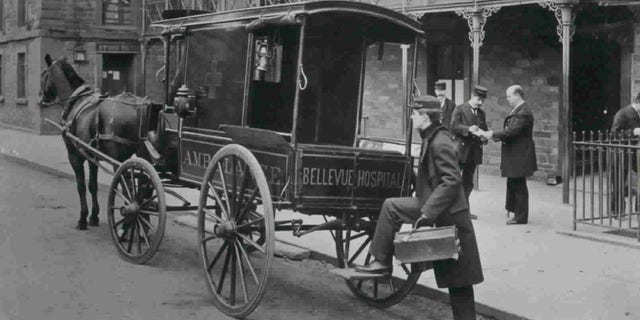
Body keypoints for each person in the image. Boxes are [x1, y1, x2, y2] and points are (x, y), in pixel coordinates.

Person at [356, 95, 483, 320]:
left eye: (415, 113)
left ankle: (380, 263)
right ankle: (381, 262)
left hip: (450, 218)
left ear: (425, 116)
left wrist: (426, 213)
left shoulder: (440, 141)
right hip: (444, 213)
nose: (412, 117)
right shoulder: (432, 137)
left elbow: (451, 181)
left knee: (460, 283)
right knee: (458, 283)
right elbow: (432, 177)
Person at [478, 85, 537, 225]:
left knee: (518, 184)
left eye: (509, 96)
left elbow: (512, 131)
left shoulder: (523, 112)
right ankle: (515, 211)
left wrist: (491, 134)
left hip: (519, 154)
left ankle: (521, 217)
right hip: (516, 153)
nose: (507, 99)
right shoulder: (520, 109)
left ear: (517, 95)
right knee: (513, 181)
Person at [450, 86, 489, 214]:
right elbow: (454, 126)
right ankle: (451, 209)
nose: (480, 103)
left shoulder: (482, 113)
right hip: (461, 152)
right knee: (454, 180)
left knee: (468, 183)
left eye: (482, 100)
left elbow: (484, 129)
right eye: (479, 99)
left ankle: (464, 210)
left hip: (474, 153)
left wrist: (485, 137)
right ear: (472, 95)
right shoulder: (460, 109)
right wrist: (467, 129)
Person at [609, 92, 640, 215]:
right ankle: (617, 211)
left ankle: (638, 209)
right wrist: (633, 132)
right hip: (621, 153)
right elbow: (614, 134)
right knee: (619, 182)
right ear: (637, 102)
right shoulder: (622, 113)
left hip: (636, 153)